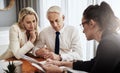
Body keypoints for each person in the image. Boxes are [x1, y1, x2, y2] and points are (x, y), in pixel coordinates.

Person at [41, 1, 120, 73]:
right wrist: (60, 63)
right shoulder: (111, 38)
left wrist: (61, 71)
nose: (83, 31)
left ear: (92, 24)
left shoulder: (108, 44)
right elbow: (91, 64)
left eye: (83, 25)